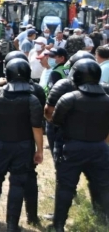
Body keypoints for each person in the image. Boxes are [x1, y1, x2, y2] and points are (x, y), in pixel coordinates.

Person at [0, 59, 43, 230]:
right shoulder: (32, 99)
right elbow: (37, 128)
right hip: (23, 146)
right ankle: (12, 225)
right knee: (17, 184)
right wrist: (40, 150)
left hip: (1, 144)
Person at [50, 59, 109, 232]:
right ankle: (103, 220)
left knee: (66, 187)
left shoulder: (69, 98)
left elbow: (56, 121)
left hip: (73, 148)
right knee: (104, 186)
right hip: (100, 148)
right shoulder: (107, 99)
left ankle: (59, 225)